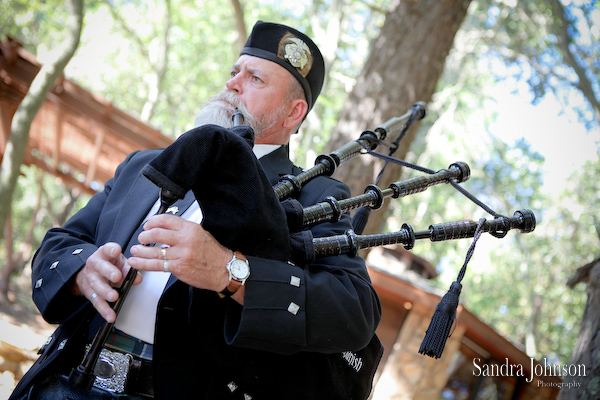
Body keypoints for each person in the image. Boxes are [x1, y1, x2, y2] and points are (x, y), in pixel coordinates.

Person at [11, 21, 382, 400]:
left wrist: (229, 270)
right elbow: (60, 243)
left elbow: (354, 310)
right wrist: (84, 269)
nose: (232, 84)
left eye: (255, 78)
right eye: (234, 72)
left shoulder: (315, 195)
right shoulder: (147, 164)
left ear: (292, 113)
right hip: (66, 381)